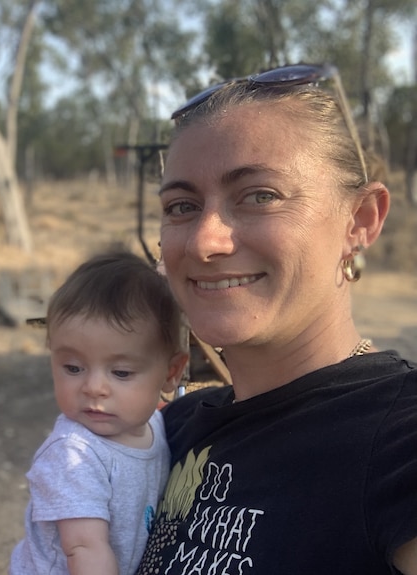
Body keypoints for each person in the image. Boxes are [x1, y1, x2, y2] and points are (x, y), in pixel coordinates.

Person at [133, 63, 417, 574]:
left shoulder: (399, 436)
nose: (203, 241)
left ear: (361, 220)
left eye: (261, 196)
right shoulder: (169, 431)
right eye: (181, 206)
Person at [9, 250, 188, 575]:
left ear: (171, 372)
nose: (93, 387)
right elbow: (84, 548)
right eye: (73, 368)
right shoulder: (73, 454)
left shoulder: (157, 425)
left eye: (120, 373)